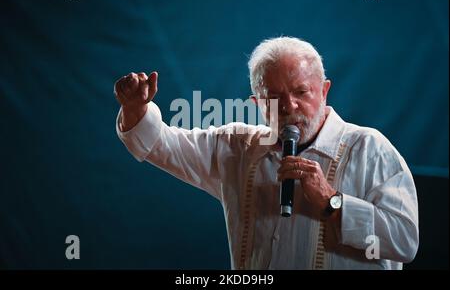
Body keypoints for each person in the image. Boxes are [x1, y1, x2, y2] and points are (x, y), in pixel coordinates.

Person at [114, 37, 419, 269]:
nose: (288, 107)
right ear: (257, 104)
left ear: (324, 90)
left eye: (301, 92)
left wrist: (332, 202)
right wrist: (134, 107)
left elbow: (405, 241)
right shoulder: (237, 147)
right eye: (273, 97)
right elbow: (160, 144)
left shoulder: (370, 149)